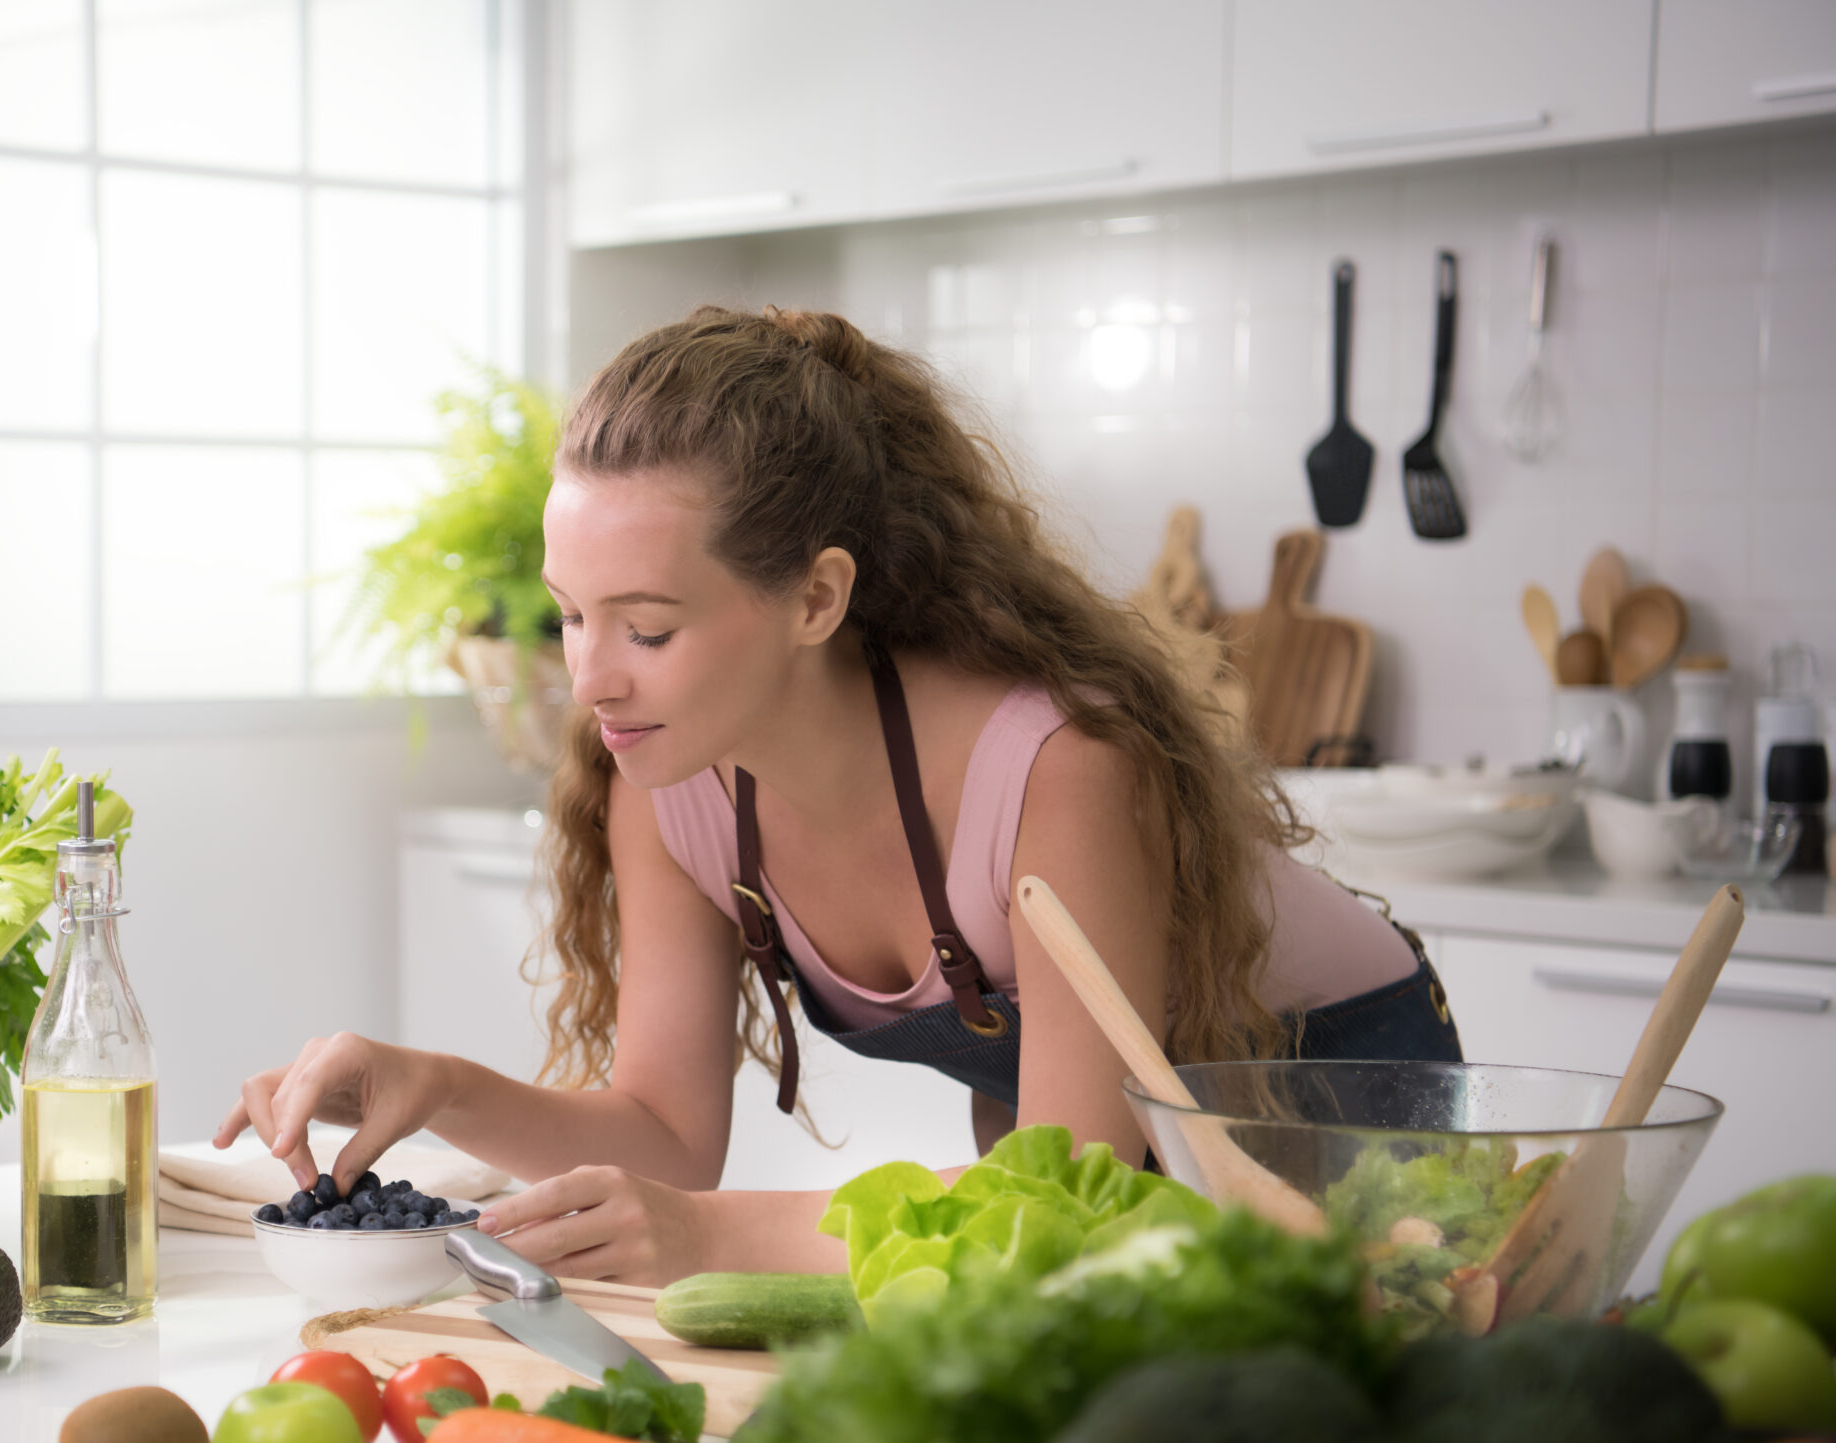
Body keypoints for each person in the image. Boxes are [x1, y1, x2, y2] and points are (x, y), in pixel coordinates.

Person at [219, 306, 1458, 1285]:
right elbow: (663, 1130)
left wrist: (708, 1234)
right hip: (1101, 1185)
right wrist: (445, 1086)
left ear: (816, 598)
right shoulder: (664, 778)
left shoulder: (1054, 770)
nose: (589, 676)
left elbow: (1053, 1197)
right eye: (570, 614)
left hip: (1337, 1103)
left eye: (645, 627)